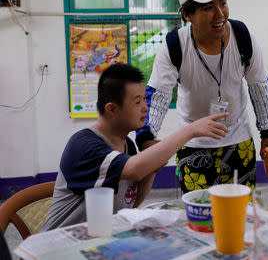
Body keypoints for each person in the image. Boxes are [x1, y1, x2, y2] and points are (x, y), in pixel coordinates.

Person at [136, 0, 268, 193]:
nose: (219, 15)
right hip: (193, 146)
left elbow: (260, 87)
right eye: (208, 8)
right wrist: (147, 138)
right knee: (198, 218)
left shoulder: (242, 36)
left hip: (239, 142)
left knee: (241, 215)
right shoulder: (175, 45)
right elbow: (158, 95)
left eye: (222, 3)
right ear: (187, 14)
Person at [41, 64, 228, 231]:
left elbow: (131, 203)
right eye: (137, 102)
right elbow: (134, 169)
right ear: (112, 109)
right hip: (57, 248)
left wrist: (153, 165)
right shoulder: (83, 145)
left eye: (144, 101)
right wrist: (190, 130)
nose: (145, 108)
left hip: (96, 242)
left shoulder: (127, 145)